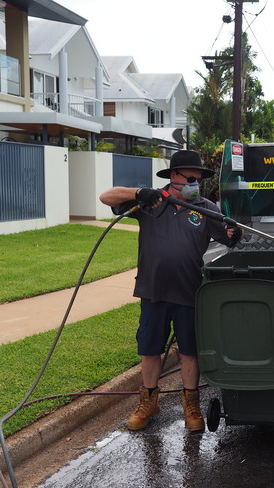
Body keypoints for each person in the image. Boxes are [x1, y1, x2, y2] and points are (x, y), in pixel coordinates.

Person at [99, 150, 241, 432]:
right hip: (153, 291)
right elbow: (106, 197)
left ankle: (191, 404)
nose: (194, 184)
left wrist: (235, 234)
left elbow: (227, 235)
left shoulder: (205, 208)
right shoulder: (150, 203)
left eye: (198, 179)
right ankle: (148, 402)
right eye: (190, 178)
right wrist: (139, 193)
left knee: (189, 350)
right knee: (150, 348)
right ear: (174, 176)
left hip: (189, 292)